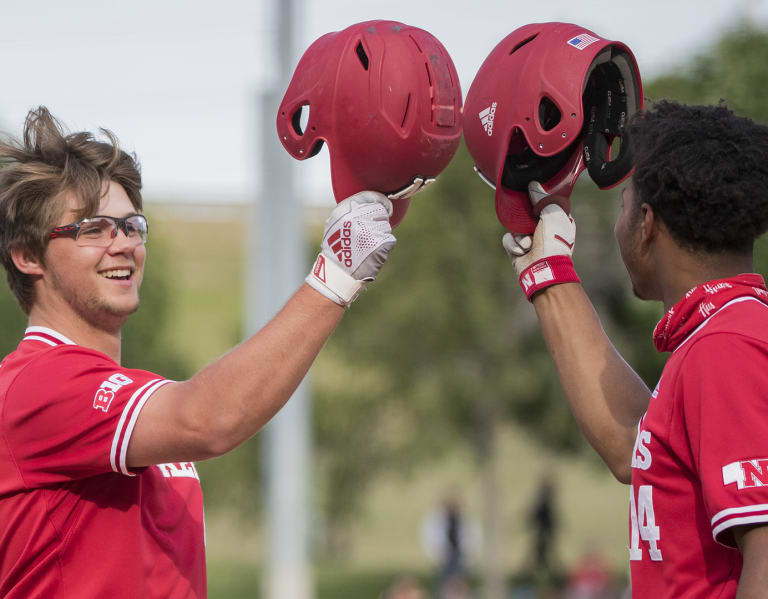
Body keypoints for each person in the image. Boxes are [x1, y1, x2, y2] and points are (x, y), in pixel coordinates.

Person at [0, 107, 396, 598]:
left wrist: (391, 189)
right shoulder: (36, 385)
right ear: (27, 255)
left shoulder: (115, 389)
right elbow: (208, 420)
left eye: (131, 226)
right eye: (93, 228)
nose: (122, 244)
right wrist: (335, 275)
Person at [504, 100, 768, 597]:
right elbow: (634, 448)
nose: (620, 221)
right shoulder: (719, 336)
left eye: (624, 204)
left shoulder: (727, 347)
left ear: (646, 223)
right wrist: (547, 270)